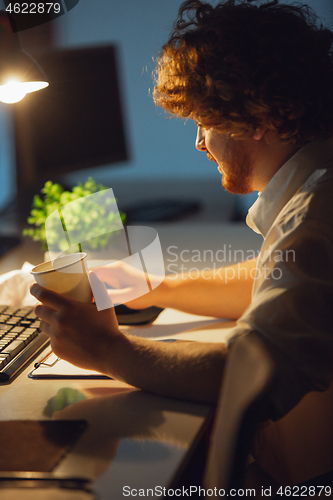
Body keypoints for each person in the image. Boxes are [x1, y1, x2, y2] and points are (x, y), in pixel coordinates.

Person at [31, 0, 333, 425]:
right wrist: (154, 287)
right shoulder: (316, 194)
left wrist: (107, 350)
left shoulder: (317, 215)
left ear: (256, 119)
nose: (199, 144)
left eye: (203, 123)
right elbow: (280, 284)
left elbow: (255, 378)